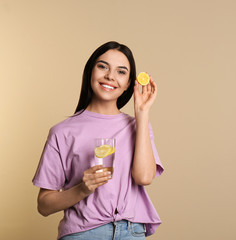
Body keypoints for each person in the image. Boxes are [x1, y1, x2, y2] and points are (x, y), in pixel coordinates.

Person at [32, 41, 164, 240]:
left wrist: (142, 113)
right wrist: (83, 189)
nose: (110, 76)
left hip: (131, 232)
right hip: (83, 233)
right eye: (103, 66)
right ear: (90, 72)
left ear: (129, 83)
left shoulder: (137, 126)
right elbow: (44, 205)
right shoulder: (62, 132)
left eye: (121, 72)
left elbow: (144, 178)